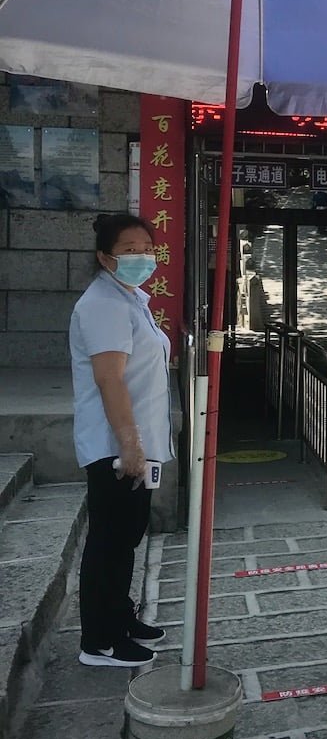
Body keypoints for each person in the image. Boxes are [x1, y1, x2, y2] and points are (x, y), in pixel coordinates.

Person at [69, 214, 174, 667]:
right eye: (129, 249)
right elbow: (110, 379)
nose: (140, 256)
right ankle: (99, 641)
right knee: (109, 541)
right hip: (116, 446)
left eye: (146, 247)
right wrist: (129, 443)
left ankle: (120, 617)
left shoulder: (130, 299)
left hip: (135, 444)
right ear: (104, 256)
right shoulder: (103, 304)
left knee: (127, 536)